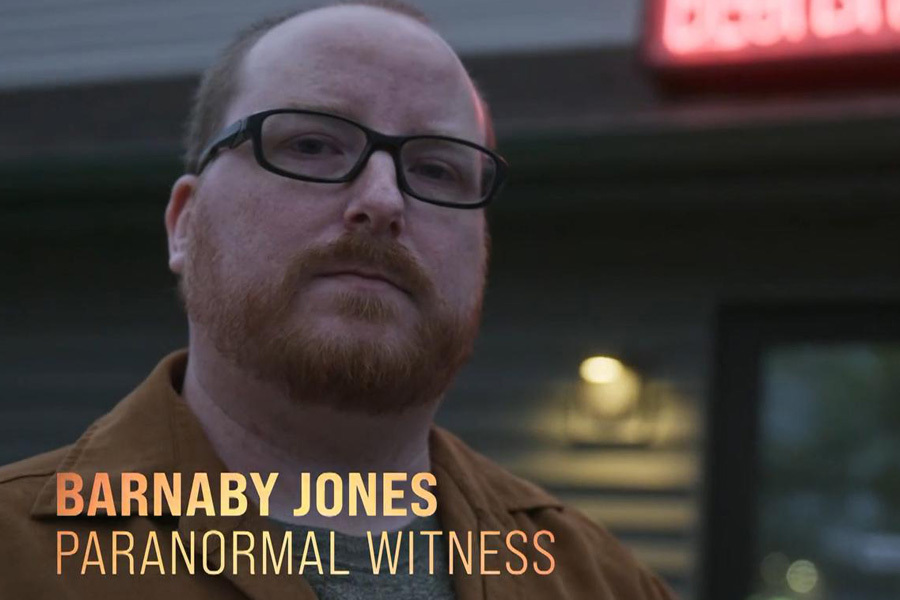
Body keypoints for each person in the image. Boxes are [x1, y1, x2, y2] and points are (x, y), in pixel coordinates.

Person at [0, 2, 678, 598]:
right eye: (312, 144)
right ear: (186, 224)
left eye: (435, 168)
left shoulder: (605, 585)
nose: (383, 201)